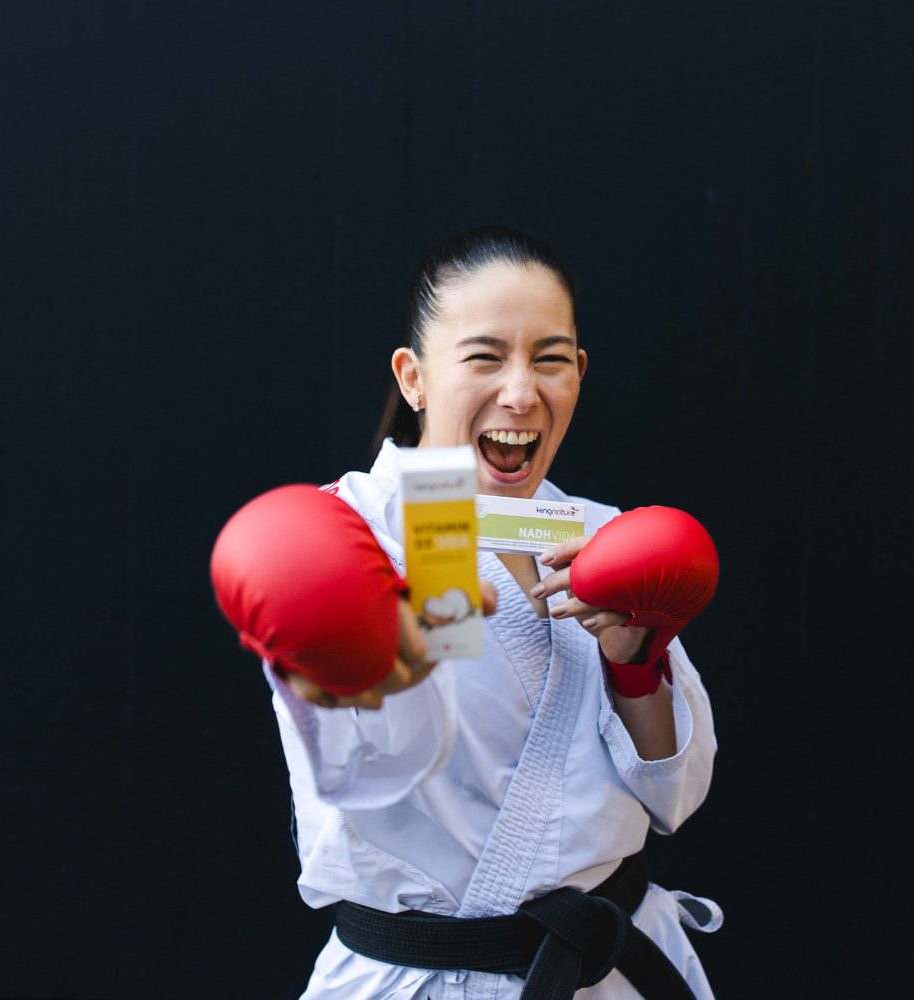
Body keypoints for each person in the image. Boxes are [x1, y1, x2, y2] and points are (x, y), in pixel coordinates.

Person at [257, 226, 720, 998]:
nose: (520, 392)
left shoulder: (603, 538)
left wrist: (635, 661)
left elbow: (672, 800)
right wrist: (358, 654)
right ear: (414, 378)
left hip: (604, 974)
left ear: (580, 372)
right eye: (484, 356)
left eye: (549, 359)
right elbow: (366, 776)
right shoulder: (348, 540)